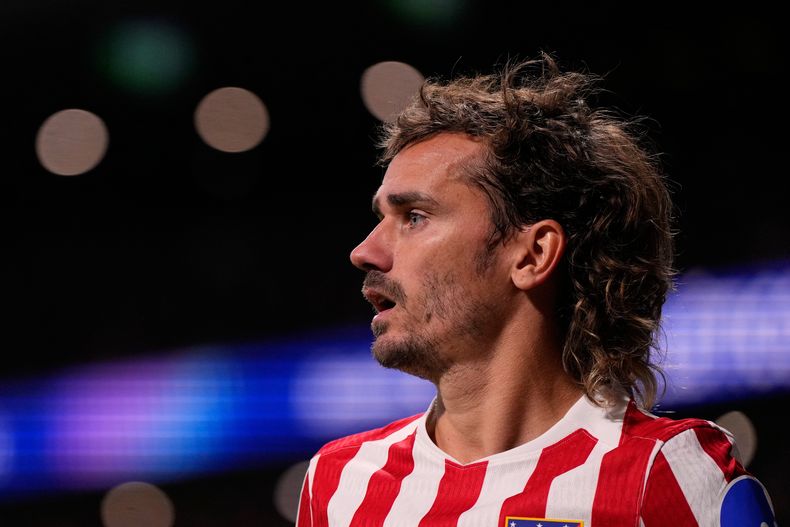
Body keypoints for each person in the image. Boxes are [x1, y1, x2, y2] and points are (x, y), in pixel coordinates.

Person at [295, 53, 777, 526]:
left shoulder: (664, 475)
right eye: (382, 218)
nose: (365, 251)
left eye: (414, 218)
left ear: (532, 254)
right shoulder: (340, 486)